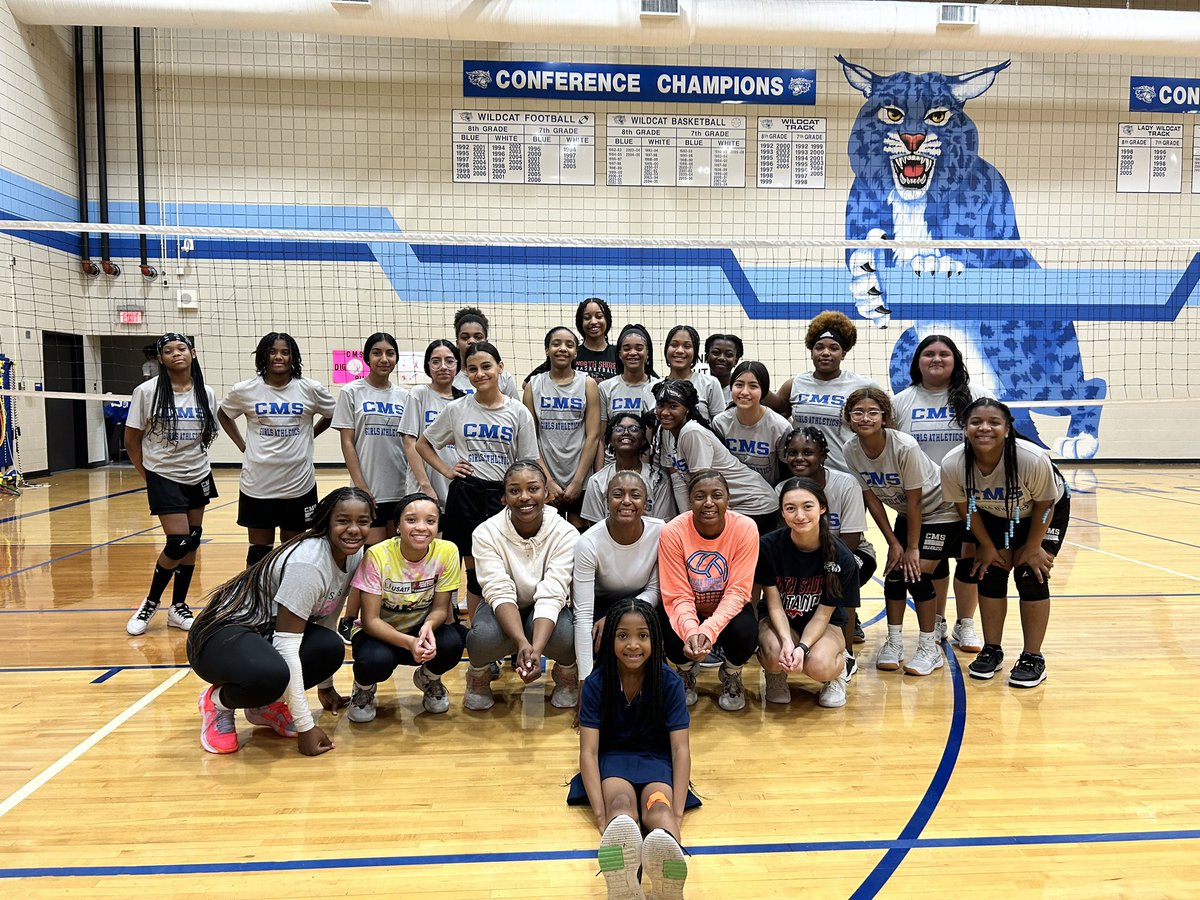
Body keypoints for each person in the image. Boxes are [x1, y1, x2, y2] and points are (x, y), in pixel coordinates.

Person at [187, 487, 371, 755]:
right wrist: (305, 725)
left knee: (330, 648)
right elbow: (286, 645)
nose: (353, 530)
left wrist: (326, 685)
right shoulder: (308, 564)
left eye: (362, 521)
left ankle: (264, 705)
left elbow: (327, 616)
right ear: (326, 523)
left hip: (263, 635)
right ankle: (218, 702)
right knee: (271, 675)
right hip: (219, 637)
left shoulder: (352, 553)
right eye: (343, 521)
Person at [941, 399, 1070, 688]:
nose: (984, 428)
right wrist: (985, 545)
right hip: (993, 513)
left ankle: (1033, 656)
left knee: (1031, 573)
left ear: (1007, 429)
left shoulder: (1031, 458)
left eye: (994, 422)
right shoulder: (954, 463)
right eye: (976, 422)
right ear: (965, 428)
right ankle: (992, 649)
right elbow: (966, 509)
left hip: (1044, 511)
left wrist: (1034, 546)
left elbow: (1046, 504)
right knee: (990, 570)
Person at [569, 599, 692, 900]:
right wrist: (600, 816)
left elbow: (680, 750)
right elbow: (588, 752)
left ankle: (669, 886)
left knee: (660, 811)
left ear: (655, 640)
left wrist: (676, 814)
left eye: (643, 635)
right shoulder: (598, 684)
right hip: (614, 762)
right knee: (621, 808)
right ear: (609, 639)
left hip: (656, 762)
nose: (633, 645)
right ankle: (622, 883)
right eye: (623, 635)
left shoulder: (670, 683)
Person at [842, 388, 962, 677]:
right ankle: (893, 643)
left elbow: (915, 499)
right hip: (909, 515)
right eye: (858, 412)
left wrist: (912, 548)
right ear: (849, 417)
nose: (865, 417)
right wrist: (893, 544)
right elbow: (871, 498)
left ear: (885, 416)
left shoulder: (904, 445)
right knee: (895, 573)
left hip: (942, 512)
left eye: (873, 412)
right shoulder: (851, 449)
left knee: (915, 572)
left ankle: (928, 648)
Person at [416, 342, 542, 616]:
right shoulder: (457, 408)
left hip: (503, 497)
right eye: (472, 369)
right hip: (467, 496)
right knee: (473, 575)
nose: (480, 374)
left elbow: (527, 463)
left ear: (500, 368)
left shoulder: (518, 412)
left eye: (486, 367)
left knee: (508, 570)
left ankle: (511, 637)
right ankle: (479, 644)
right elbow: (423, 444)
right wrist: (448, 470)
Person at [463, 460, 580, 711]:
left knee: (568, 636)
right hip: (504, 607)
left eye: (533, 489)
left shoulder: (566, 533)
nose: (524, 497)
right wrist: (521, 642)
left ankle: (566, 675)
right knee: (482, 637)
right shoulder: (485, 533)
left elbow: (553, 592)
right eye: (514, 490)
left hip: (546, 607)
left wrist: (536, 649)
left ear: (546, 494)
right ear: (503, 498)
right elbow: (498, 590)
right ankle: (478, 675)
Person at [124, 333, 219, 635]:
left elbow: (208, 433)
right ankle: (150, 603)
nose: (176, 354)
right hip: (163, 474)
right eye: (168, 350)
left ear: (193, 353)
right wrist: (149, 476)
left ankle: (178, 608)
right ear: (160, 358)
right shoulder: (146, 391)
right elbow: (131, 440)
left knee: (192, 540)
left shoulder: (206, 392)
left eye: (181, 348)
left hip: (198, 473)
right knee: (177, 542)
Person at [893, 333, 982, 652]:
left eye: (944, 354)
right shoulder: (902, 401)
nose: (936, 359)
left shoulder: (975, 396)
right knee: (933, 565)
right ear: (918, 362)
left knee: (969, 562)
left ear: (955, 360)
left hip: (967, 501)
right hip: (920, 504)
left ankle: (966, 624)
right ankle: (940, 619)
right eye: (928, 353)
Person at [218, 332, 335, 567]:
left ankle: (288, 599)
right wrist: (243, 445)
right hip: (258, 484)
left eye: (284, 352)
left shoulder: (310, 389)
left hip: (298, 484)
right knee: (260, 551)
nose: (278, 357)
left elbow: (333, 415)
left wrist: (310, 434)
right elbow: (223, 414)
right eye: (272, 352)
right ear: (263, 355)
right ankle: (257, 600)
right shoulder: (246, 389)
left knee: (294, 550)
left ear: (293, 357)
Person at [346, 493, 466, 722]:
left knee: (452, 643)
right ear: (398, 526)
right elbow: (370, 621)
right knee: (374, 661)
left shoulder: (447, 551)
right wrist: (410, 643)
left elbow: (441, 609)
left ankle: (429, 678)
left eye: (430, 521)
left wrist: (428, 627)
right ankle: (363, 687)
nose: (421, 527)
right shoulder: (377, 555)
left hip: (419, 630)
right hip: (380, 633)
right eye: (411, 520)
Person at [657, 469, 759, 712]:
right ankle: (684, 672)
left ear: (728, 499)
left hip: (725, 607)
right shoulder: (673, 531)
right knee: (670, 630)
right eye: (700, 496)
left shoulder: (745, 528)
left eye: (717, 495)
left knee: (746, 631)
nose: (709, 503)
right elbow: (677, 594)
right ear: (690, 501)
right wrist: (691, 631)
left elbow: (738, 591)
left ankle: (731, 673)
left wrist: (709, 630)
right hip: (688, 607)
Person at [332, 332, 411, 643]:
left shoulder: (406, 397)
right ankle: (350, 618)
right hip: (370, 490)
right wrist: (362, 486)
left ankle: (383, 617)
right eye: (377, 353)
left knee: (394, 558)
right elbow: (347, 442)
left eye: (389, 353)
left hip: (400, 490)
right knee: (370, 558)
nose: (384, 358)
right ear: (366, 358)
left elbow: (411, 444)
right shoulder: (351, 392)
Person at [756, 477, 861, 708]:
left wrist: (802, 647)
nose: (799, 515)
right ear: (782, 513)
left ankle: (837, 673)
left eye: (807, 506)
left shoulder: (841, 556)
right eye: (790, 508)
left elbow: (823, 615)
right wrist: (786, 642)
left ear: (822, 508)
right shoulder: (768, 547)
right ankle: (775, 674)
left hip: (824, 624)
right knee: (775, 654)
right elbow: (774, 605)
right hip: (781, 619)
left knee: (819, 665)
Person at [779, 425, 877, 661]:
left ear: (823, 455)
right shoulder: (782, 489)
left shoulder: (846, 484)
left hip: (849, 552)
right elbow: (785, 537)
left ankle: (847, 649)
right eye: (793, 452)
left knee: (845, 570)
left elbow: (851, 539)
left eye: (808, 452)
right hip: (804, 555)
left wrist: (823, 567)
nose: (799, 458)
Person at [652, 379, 779, 534]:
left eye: (673, 406)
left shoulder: (692, 432)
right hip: (725, 502)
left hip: (755, 504)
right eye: (660, 406)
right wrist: (688, 521)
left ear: (686, 409)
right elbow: (678, 481)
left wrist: (693, 526)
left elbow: (704, 487)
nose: (665, 412)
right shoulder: (665, 432)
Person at [573, 471, 665, 679]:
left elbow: (655, 590)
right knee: (599, 647)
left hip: (642, 603)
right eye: (618, 494)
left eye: (635, 495)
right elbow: (584, 615)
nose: (626, 501)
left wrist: (618, 614)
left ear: (645, 502)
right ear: (606, 501)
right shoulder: (588, 542)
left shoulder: (660, 531)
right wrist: (583, 682)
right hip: (600, 607)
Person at [770, 310, 882, 473]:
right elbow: (774, 419)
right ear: (811, 352)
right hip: (803, 475)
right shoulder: (795, 384)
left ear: (843, 354)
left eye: (833, 348)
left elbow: (886, 423)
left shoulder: (862, 385)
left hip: (847, 474)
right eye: (819, 347)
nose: (825, 353)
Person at [524, 326, 601, 528]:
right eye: (556, 344)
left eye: (569, 345)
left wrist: (578, 482)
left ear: (576, 352)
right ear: (547, 350)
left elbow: (593, 436)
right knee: (548, 534)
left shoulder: (588, 384)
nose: (562, 349)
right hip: (545, 479)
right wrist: (547, 480)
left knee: (580, 537)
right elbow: (529, 440)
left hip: (580, 479)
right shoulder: (533, 386)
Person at [400, 339, 464, 510]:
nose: (443, 366)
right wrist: (425, 485)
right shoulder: (419, 394)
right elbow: (409, 442)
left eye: (449, 361)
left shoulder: (465, 401)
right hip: (425, 485)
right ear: (427, 366)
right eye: (436, 361)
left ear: (457, 365)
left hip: (455, 486)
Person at [581, 411, 676, 525]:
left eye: (634, 429)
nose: (626, 433)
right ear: (610, 439)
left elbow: (662, 526)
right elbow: (595, 529)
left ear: (643, 439)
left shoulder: (659, 479)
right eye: (619, 429)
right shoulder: (597, 481)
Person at [712, 360, 791, 487]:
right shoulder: (720, 422)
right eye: (739, 385)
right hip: (733, 491)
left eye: (753, 386)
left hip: (768, 493)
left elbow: (787, 471)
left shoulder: (780, 426)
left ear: (763, 391)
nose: (744, 392)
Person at [597, 324, 661, 468]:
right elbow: (600, 438)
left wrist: (645, 472)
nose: (633, 353)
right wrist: (599, 474)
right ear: (619, 354)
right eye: (626, 348)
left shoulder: (658, 387)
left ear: (648, 353)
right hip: (612, 465)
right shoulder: (605, 387)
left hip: (648, 467)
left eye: (639, 348)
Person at [450, 306, 521, 399]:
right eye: (465, 337)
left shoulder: (503, 377)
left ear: (486, 341)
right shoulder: (449, 376)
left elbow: (515, 410)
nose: (471, 341)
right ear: (457, 343)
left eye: (478, 337)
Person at [663, 324, 724, 421]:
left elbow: (719, 425)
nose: (680, 351)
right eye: (674, 345)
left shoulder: (710, 384)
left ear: (695, 352)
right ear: (666, 349)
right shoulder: (651, 388)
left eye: (687, 346)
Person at [573, 297, 620, 382]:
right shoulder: (572, 354)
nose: (593, 322)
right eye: (587, 318)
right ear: (580, 323)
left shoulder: (618, 354)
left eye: (599, 316)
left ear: (607, 320)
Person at [704, 332, 743, 407]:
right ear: (706, 357)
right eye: (716, 353)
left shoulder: (743, 388)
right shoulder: (699, 386)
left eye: (729, 355)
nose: (721, 358)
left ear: (736, 361)